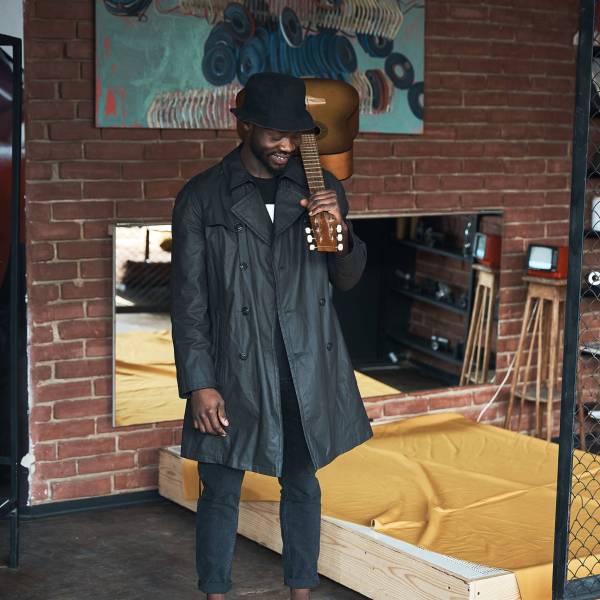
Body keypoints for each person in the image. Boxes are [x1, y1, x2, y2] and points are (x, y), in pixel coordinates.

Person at [170, 72, 373, 600]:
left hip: (300, 366)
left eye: (296, 133)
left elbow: (346, 280)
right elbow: (189, 301)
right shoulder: (202, 198)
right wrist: (199, 385)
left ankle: (300, 593)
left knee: (302, 485)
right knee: (220, 488)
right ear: (244, 126)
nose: (287, 145)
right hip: (230, 368)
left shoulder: (322, 192)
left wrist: (343, 235)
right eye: (275, 133)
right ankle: (216, 593)